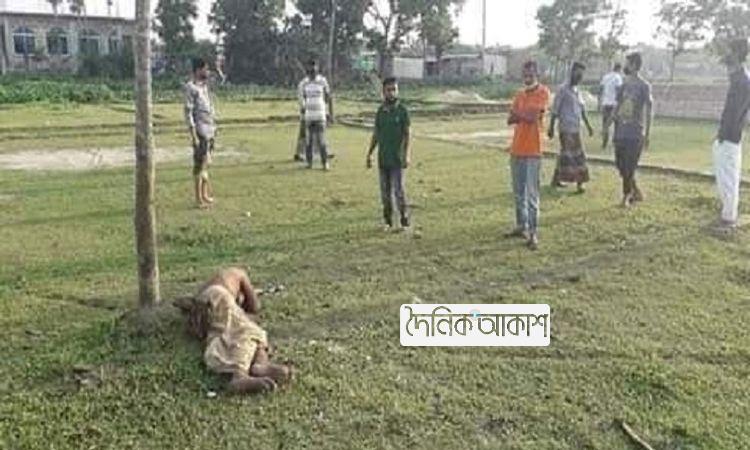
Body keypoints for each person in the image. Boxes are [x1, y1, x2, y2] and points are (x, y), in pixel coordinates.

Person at [176, 267, 293, 395]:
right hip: (217, 296)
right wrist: (246, 298)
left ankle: (259, 364)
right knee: (246, 329)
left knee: (230, 335)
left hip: (205, 308)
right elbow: (255, 306)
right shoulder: (238, 274)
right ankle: (239, 375)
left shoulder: (214, 287)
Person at [506, 61, 550, 250]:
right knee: (518, 193)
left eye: (530, 74)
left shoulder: (543, 92)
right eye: (525, 74)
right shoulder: (520, 94)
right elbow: (510, 119)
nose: (527, 77)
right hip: (517, 148)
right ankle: (521, 225)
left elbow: (532, 117)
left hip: (533, 150)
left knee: (532, 195)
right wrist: (525, 113)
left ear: (536, 74)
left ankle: (533, 232)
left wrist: (520, 113)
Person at [713, 38, 750, 230]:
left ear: (736, 53)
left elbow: (736, 113)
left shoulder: (742, 81)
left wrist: (724, 134)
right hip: (728, 135)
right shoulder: (738, 79)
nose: (726, 54)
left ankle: (728, 217)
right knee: (724, 175)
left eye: (729, 51)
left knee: (728, 177)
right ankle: (728, 212)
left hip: (730, 136)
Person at [366, 77, 412, 231]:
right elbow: (376, 134)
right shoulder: (380, 112)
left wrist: (406, 154)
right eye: (389, 90)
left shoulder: (402, 111)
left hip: (397, 159)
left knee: (399, 191)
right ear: (383, 92)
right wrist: (369, 153)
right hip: (383, 159)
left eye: (394, 89)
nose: (392, 93)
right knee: (385, 194)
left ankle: (404, 220)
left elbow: (407, 134)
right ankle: (388, 221)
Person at [613, 52, 653, 208]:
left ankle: (626, 196)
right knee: (620, 165)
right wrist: (608, 125)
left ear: (634, 65)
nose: (625, 66)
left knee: (629, 166)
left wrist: (647, 133)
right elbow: (618, 106)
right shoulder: (623, 85)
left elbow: (649, 109)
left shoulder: (644, 86)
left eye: (627, 63)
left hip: (635, 133)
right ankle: (635, 190)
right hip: (620, 132)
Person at [549, 62, 594, 193]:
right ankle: (580, 183)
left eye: (582, 75)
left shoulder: (577, 91)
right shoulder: (563, 89)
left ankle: (556, 179)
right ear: (572, 72)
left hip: (576, 128)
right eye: (578, 74)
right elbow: (555, 109)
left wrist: (588, 126)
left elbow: (582, 110)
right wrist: (551, 127)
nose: (580, 77)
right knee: (575, 156)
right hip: (565, 128)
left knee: (566, 154)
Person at [185, 58, 217, 208]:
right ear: (198, 70)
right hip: (200, 131)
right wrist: (193, 135)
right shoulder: (191, 88)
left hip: (210, 130)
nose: (207, 72)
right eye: (205, 69)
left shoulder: (204, 87)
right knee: (199, 164)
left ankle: (204, 194)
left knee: (206, 163)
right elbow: (188, 112)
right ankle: (198, 199)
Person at [298, 59, 334, 170]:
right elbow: (301, 100)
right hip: (309, 116)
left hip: (320, 116)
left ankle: (325, 163)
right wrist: (303, 114)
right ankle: (309, 163)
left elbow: (329, 97)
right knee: (309, 141)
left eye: (314, 68)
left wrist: (331, 113)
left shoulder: (322, 81)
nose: (312, 70)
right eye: (310, 68)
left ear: (317, 68)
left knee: (321, 141)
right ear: (307, 69)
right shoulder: (303, 83)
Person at [599, 63, 624, 150]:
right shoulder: (618, 77)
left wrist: (600, 101)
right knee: (617, 124)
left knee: (605, 123)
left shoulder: (606, 77)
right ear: (619, 69)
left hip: (605, 103)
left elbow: (601, 89)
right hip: (614, 104)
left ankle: (604, 142)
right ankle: (615, 142)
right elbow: (618, 90)